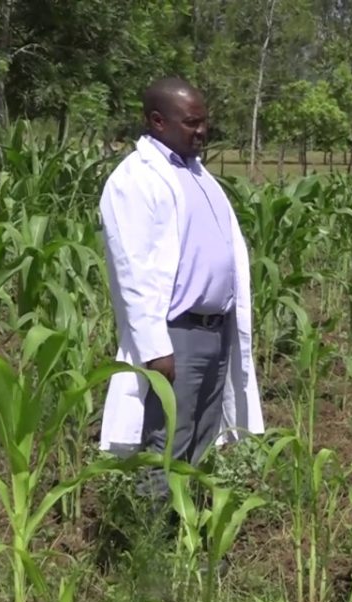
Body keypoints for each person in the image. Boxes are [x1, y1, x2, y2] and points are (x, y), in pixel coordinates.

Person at [97, 77, 264, 499]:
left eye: (204, 122)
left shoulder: (197, 173)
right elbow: (131, 269)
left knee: (203, 437)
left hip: (214, 329)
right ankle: (154, 542)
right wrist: (155, 347)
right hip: (176, 335)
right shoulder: (135, 179)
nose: (202, 131)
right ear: (157, 121)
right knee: (166, 439)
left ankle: (185, 532)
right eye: (191, 123)